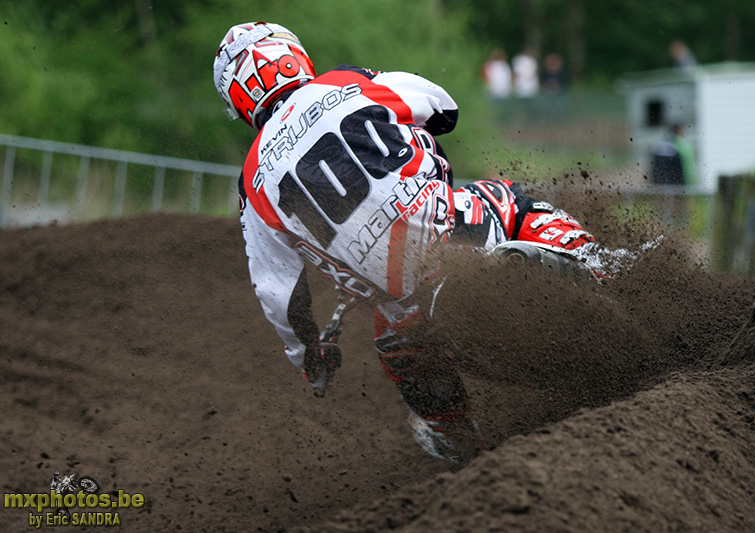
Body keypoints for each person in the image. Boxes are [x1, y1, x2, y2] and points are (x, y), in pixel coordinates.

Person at [212, 21, 631, 464]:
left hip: (405, 302)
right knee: (505, 199)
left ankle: (453, 433)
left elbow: (278, 294)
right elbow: (443, 108)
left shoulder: (253, 183)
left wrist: (309, 358)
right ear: (292, 55)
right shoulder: (347, 82)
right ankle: (602, 264)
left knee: (393, 343)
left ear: (239, 99)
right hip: (456, 234)